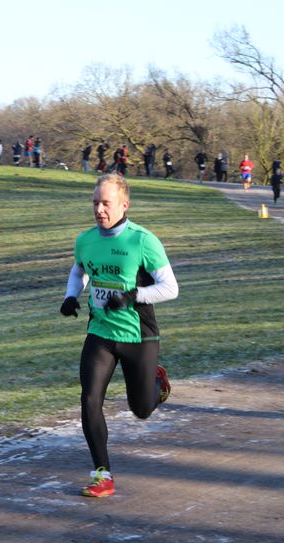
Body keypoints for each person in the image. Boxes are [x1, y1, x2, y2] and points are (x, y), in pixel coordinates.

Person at [59, 172, 179, 498]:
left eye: (106, 203)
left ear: (124, 205)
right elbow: (79, 269)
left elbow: (171, 288)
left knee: (140, 409)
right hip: (100, 333)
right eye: (95, 203)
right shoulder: (85, 239)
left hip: (139, 336)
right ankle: (102, 474)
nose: (99, 209)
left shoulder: (143, 241)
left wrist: (133, 296)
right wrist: (72, 296)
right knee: (89, 398)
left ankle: (156, 382)